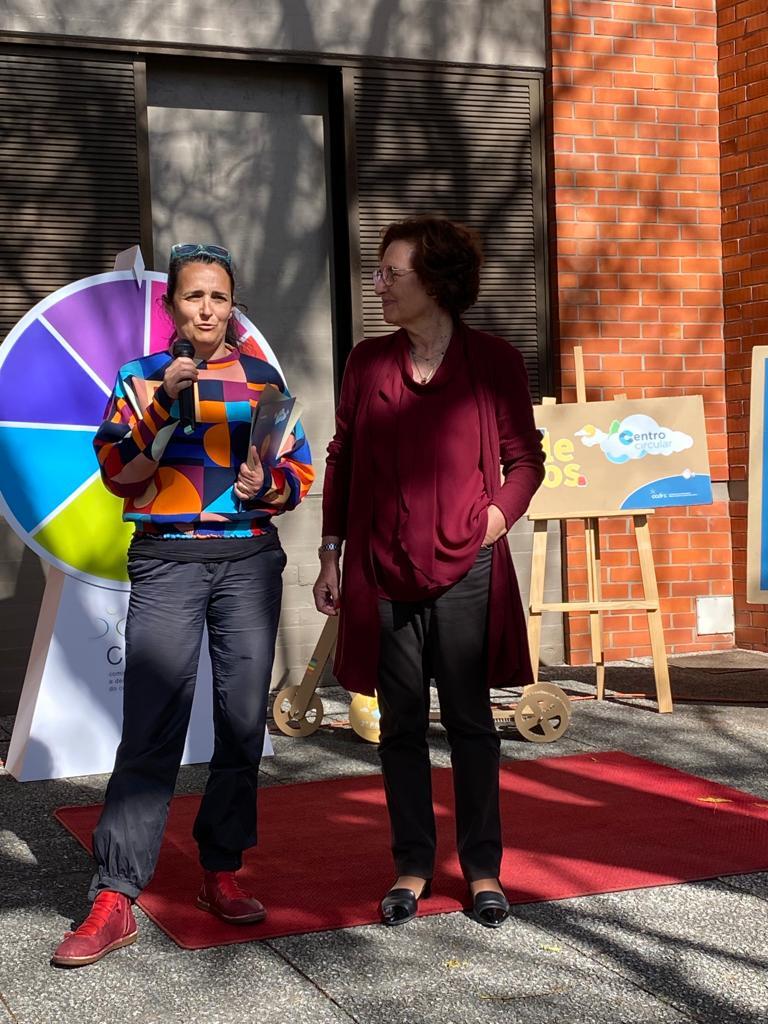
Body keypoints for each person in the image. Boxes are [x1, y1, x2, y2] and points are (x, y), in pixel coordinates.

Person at [52, 243, 313, 967]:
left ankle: (220, 870)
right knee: (152, 724)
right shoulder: (137, 378)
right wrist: (166, 397)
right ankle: (115, 893)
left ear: (234, 307)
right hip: (167, 559)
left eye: (219, 297)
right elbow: (121, 475)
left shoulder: (261, 380)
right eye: (194, 296)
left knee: (241, 723)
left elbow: (295, 470)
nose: (207, 309)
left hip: (248, 559)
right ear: (171, 305)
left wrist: (268, 486)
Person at [313, 216, 544, 928]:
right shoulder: (367, 362)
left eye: (392, 273)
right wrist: (330, 551)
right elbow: (342, 456)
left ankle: (482, 868)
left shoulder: (494, 361)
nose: (378, 285)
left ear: (437, 281)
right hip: (382, 569)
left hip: (467, 567)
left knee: (472, 722)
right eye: (378, 272)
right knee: (401, 726)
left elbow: (524, 460)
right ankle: (411, 865)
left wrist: (494, 521)